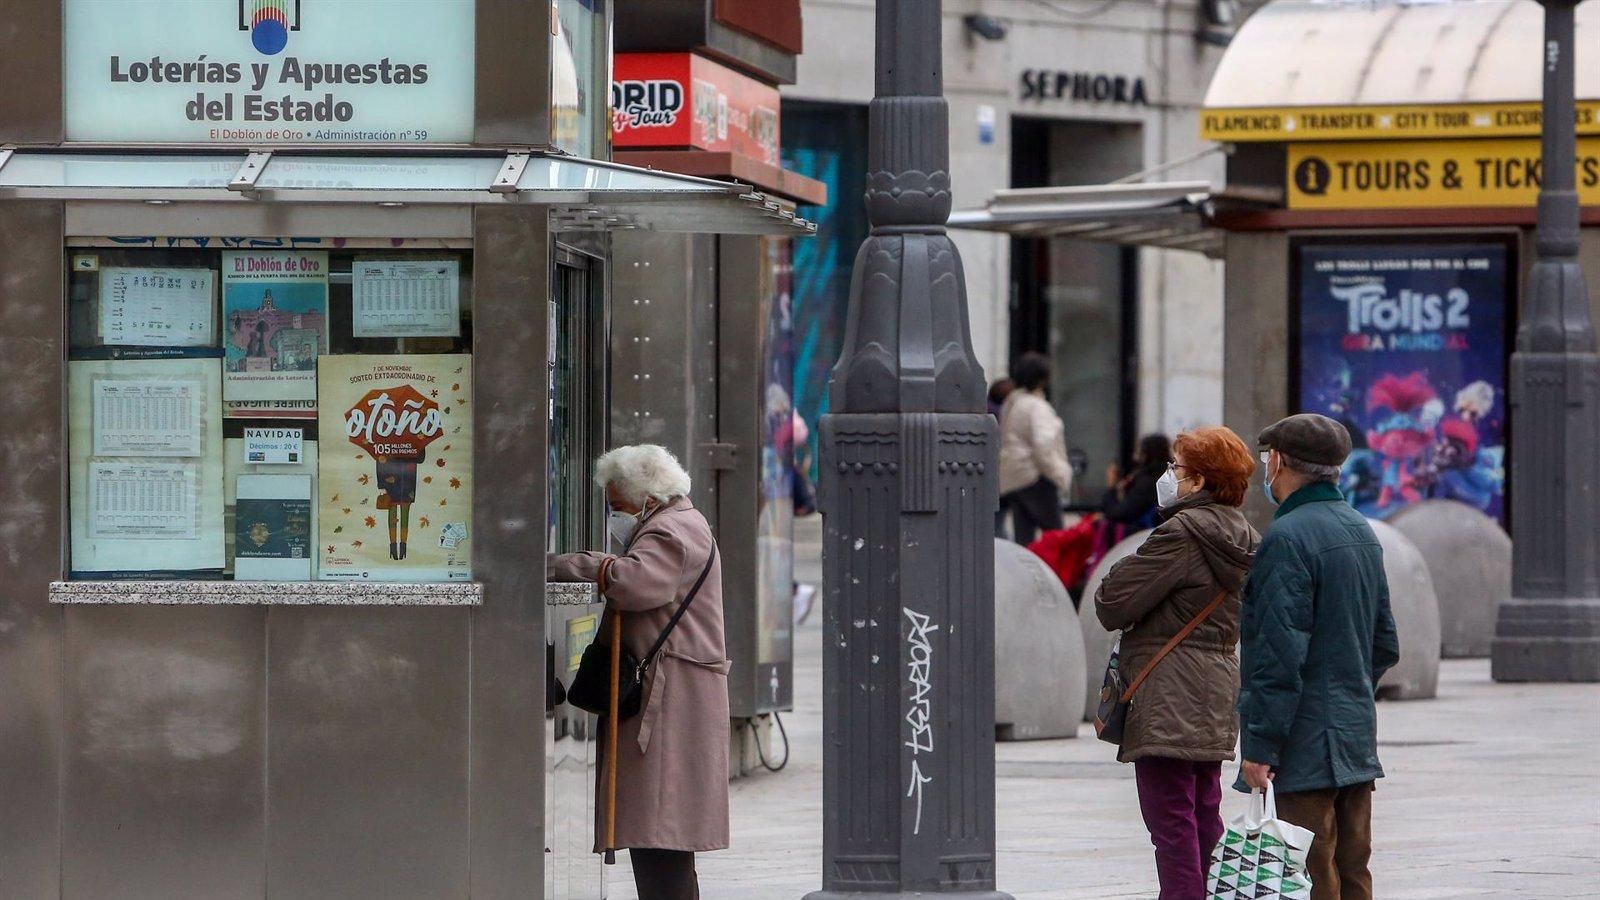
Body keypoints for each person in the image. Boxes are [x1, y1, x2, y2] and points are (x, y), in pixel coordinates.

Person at [547, 445, 730, 900]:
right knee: (660, 828)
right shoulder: (680, 523)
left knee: (659, 826)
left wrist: (570, 564)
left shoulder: (670, 531)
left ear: (647, 499)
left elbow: (633, 582)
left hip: (671, 701)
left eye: (616, 507)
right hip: (672, 694)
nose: (615, 517)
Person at [1239, 414, 1401, 900]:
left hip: (1304, 742)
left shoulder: (1287, 539)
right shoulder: (1361, 530)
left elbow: (1277, 657)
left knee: (1309, 873)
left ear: (1280, 462)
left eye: (1268, 460)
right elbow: (1385, 643)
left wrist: (1260, 746)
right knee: (1353, 870)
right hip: (1354, 737)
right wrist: (1349, 693)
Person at [1095, 427, 1260, 899]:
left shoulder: (1181, 534)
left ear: (1200, 482)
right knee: (1204, 812)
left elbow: (1112, 601)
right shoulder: (1244, 536)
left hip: (1169, 689)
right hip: (1215, 685)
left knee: (1170, 821)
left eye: (1178, 468)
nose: (1169, 475)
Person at [997, 352, 1073, 545]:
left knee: (1025, 542)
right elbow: (1044, 447)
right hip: (1036, 478)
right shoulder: (1037, 407)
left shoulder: (1011, 404)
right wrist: (1060, 475)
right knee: (1058, 540)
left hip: (1014, 479)